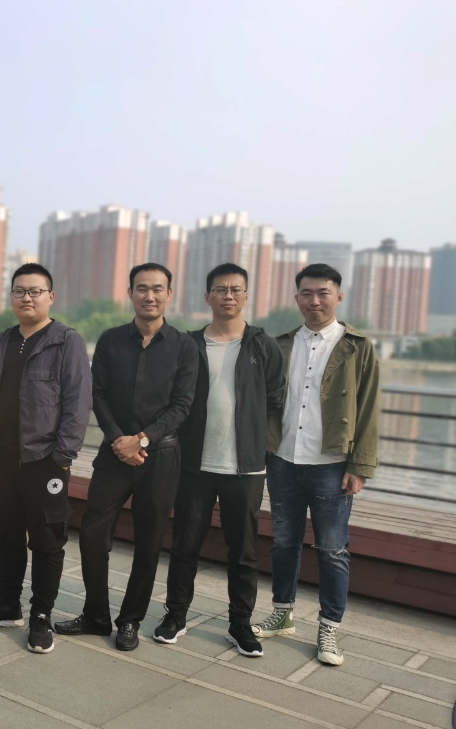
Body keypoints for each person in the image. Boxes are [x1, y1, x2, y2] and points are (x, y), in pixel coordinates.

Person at [57, 262, 197, 652]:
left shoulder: (184, 346)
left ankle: (130, 620)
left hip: (160, 456)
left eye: (157, 289)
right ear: (130, 293)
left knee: (149, 542)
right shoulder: (111, 340)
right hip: (113, 452)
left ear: (169, 294)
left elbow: (182, 405)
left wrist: (142, 439)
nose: (149, 296)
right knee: (92, 534)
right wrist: (120, 439)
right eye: (142, 288)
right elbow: (98, 394)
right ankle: (96, 615)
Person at [154, 263, 285, 657]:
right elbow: (172, 398)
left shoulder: (263, 346)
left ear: (246, 296)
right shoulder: (188, 345)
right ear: (207, 296)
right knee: (184, 545)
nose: (229, 296)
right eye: (221, 289)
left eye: (236, 289)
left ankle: (240, 624)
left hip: (246, 468)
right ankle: (175, 615)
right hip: (193, 464)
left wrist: (259, 447)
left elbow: (275, 400)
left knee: (243, 551)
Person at [253, 264, 379, 666]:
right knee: (283, 542)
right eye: (306, 293)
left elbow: (369, 409)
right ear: (297, 299)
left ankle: (329, 628)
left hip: (331, 464)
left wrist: (360, 466)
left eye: (323, 293)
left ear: (338, 297)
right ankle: (282, 613)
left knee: (333, 549)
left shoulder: (357, 347)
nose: (315, 301)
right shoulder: (281, 345)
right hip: (283, 459)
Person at [0, 263, 91, 654]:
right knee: (6, 533)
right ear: (11, 297)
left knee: (47, 539)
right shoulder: (3, 341)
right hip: (3, 458)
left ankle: (41, 614)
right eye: (19, 291)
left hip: (45, 459)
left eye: (35, 291)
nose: (27, 298)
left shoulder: (66, 341)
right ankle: (8, 605)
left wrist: (62, 455)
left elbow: (78, 402)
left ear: (50, 297)